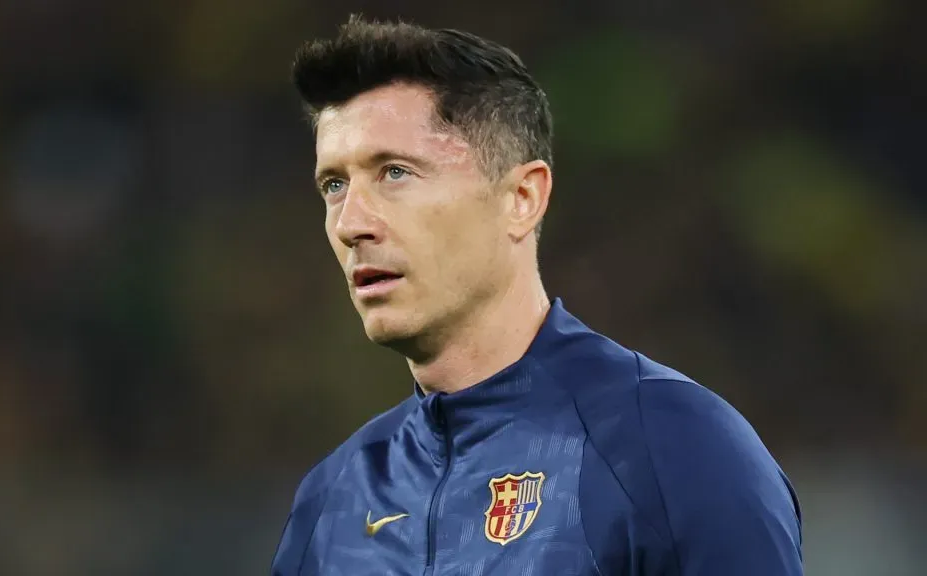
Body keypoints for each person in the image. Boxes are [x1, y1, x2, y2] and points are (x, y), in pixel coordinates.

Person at [272, 15, 802, 576]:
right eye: (334, 184)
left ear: (522, 198)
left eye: (395, 173)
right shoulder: (333, 502)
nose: (351, 222)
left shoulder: (669, 448)